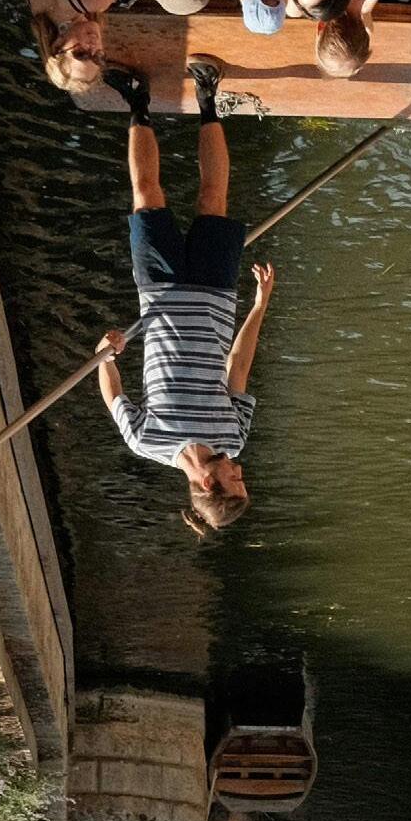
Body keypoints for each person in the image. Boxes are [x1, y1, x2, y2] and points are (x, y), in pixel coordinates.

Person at [95, 59, 267, 537]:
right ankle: (208, 98)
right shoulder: (234, 437)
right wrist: (259, 305)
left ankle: (137, 101)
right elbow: (238, 366)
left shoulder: (146, 442)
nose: (239, 470)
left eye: (235, 480)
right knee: (213, 197)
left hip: (160, 290)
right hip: (215, 294)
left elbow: (113, 391)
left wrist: (105, 353)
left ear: (208, 484)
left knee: (146, 194)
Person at [20, 0, 122, 94]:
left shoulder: (91, 0)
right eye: (98, 57)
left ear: (57, 45)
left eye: (81, 54)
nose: (93, 47)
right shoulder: (37, 3)